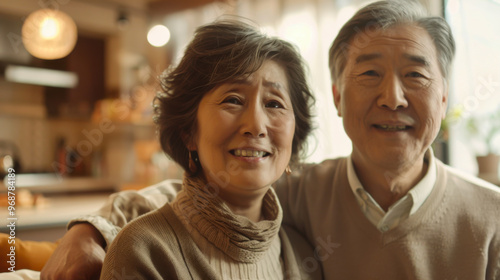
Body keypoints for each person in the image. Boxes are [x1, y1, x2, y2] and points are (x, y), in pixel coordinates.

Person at [42, 1, 500, 279]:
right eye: (370, 74)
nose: (392, 97)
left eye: (415, 75)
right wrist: (89, 230)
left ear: (444, 95)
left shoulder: (492, 220)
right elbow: (197, 197)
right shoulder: (301, 191)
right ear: (338, 96)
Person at [98, 19, 318, 279]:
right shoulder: (145, 251)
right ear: (189, 132)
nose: (256, 126)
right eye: (233, 100)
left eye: (274, 103)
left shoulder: (304, 255)